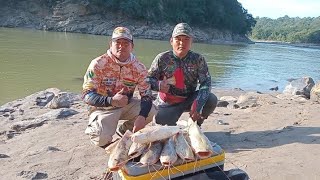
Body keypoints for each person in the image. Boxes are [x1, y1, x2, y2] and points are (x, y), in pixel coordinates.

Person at [82, 27, 156, 148]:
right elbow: (86, 95)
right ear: (111, 44)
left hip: (125, 105)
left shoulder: (139, 68)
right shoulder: (98, 64)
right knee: (101, 140)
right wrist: (111, 100)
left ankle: (124, 130)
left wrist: (142, 117)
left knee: (153, 111)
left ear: (132, 46)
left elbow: (146, 95)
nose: (121, 46)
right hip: (103, 108)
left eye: (126, 43)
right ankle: (98, 128)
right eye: (118, 43)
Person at [147, 23, 218, 126]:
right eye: (178, 39)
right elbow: (147, 80)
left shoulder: (198, 59)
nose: (182, 43)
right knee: (161, 122)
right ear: (171, 41)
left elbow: (206, 82)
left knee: (211, 99)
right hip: (168, 101)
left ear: (191, 42)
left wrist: (198, 103)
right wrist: (158, 85)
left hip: (189, 99)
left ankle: (197, 124)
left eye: (186, 40)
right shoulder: (162, 58)